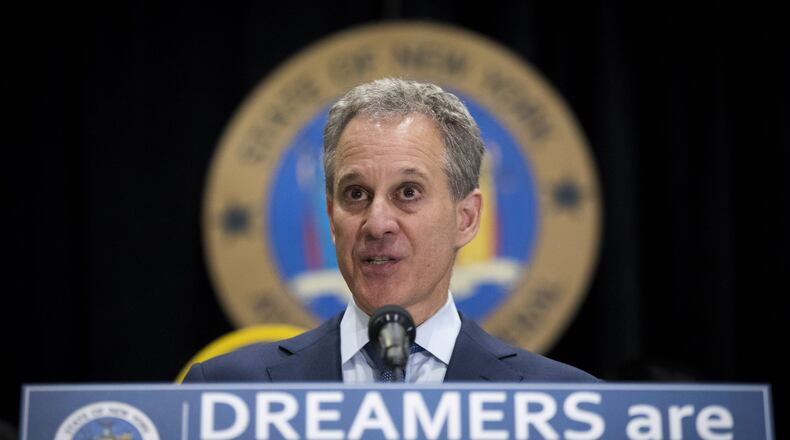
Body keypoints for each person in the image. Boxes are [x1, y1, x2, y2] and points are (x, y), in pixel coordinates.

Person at [184, 78, 596, 383]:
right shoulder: (228, 390)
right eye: (357, 193)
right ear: (331, 217)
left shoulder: (562, 401)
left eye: (408, 192)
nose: (377, 223)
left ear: (466, 218)